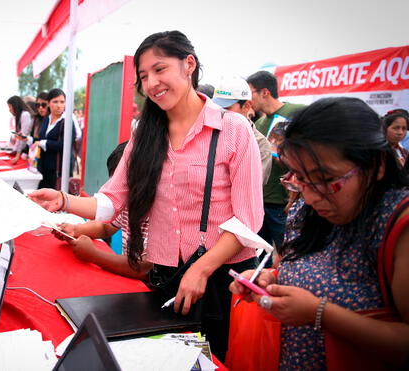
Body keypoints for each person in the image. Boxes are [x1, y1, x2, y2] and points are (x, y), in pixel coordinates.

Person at [30, 31, 263, 360]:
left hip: (219, 280)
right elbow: (113, 201)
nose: (151, 83)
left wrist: (203, 268)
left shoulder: (233, 129)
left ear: (189, 65)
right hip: (165, 276)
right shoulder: (145, 135)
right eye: (143, 76)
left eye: (159, 69)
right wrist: (63, 201)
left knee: (214, 359)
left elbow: (248, 219)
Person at [230, 97, 409, 369]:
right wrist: (268, 279)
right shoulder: (306, 210)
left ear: (377, 166)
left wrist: (320, 313)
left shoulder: (398, 226)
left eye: (325, 180)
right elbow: (302, 269)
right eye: (299, 178)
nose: (311, 196)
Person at [53, 141, 152, 279]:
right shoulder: (126, 202)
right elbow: (105, 227)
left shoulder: (159, 212)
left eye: (121, 184)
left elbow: (144, 268)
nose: (115, 190)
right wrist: (75, 230)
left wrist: (94, 255)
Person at [246, 70, 305, 255]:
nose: (248, 99)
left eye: (250, 93)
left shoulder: (296, 112)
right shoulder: (261, 122)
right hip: (260, 200)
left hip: (283, 200)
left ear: (265, 92)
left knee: (286, 253)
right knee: (258, 254)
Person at [212, 76, 272, 185]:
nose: (220, 113)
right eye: (216, 107)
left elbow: (253, 185)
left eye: (226, 108)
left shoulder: (260, 144)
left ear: (246, 106)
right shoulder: (209, 133)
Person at [34, 88, 77, 189]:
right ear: (48, 103)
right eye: (55, 102)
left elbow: (64, 145)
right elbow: (41, 138)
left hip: (59, 171)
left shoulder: (67, 122)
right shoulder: (46, 119)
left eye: (62, 102)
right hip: (43, 168)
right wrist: (31, 140)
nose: (59, 105)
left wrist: (43, 143)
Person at [7, 95, 33, 164]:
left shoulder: (25, 115)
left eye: (10, 107)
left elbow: (23, 137)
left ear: (15, 106)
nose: (9, 110)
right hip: (24, 151)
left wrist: (17, 156)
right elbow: (19, 137)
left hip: (29, 151)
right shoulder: (20, 115)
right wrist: (14, 150)